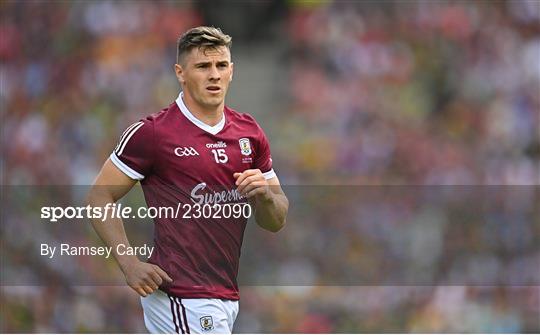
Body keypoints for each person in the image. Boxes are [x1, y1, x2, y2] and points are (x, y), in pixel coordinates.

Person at [88, 26, 288, 334]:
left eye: (221, 66)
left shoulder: (250, 133)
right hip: (180, 294)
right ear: (181, 73)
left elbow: (276, 220)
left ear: (232, 71)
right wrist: (129, 264)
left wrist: (265, 196)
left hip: (224, 295)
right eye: (203, 66)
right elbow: (99, 198)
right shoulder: (153, 133)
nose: (214, 75)